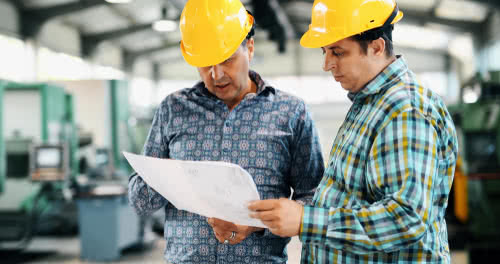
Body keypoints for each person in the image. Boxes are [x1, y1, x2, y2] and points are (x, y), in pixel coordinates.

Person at [249, 0, 458, 263]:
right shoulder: (369, 103)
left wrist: (306, 220)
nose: (327, 64)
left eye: (338, 52)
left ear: (376, 47)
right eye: (324, 51)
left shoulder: (405, 110)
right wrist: (266, 220)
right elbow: (344, 198)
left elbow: (406, 218)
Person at [128, 0, 324, 263]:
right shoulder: (173, 109)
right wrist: (170, 177)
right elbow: (139, 202)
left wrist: (258, 223)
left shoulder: (291, 113)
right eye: (205, 64)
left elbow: (315, 197)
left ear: (250, 48)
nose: (216, 74)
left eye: (227, 60)